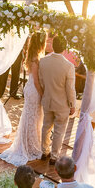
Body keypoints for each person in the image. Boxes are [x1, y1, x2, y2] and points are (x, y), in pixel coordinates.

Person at [0, 34, 45, 166]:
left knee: (31, 116)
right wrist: (42, 94)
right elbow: (36, 82)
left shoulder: (31, 56)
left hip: (29, 88)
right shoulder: (35, 59)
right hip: (34, 90)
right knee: (34, 117)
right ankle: (30, 145)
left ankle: (29, 142)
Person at [39, 36, 75, 164]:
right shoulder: (69, 66)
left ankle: (44, 151)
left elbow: (41, 82)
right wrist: (72, 104)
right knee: (59, 130)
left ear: (53, 46)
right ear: (65, 48)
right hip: (62, 104)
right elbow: (70, 89)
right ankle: (54, 156)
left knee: (46, 126)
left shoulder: (43, 61)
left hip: (47, 100)